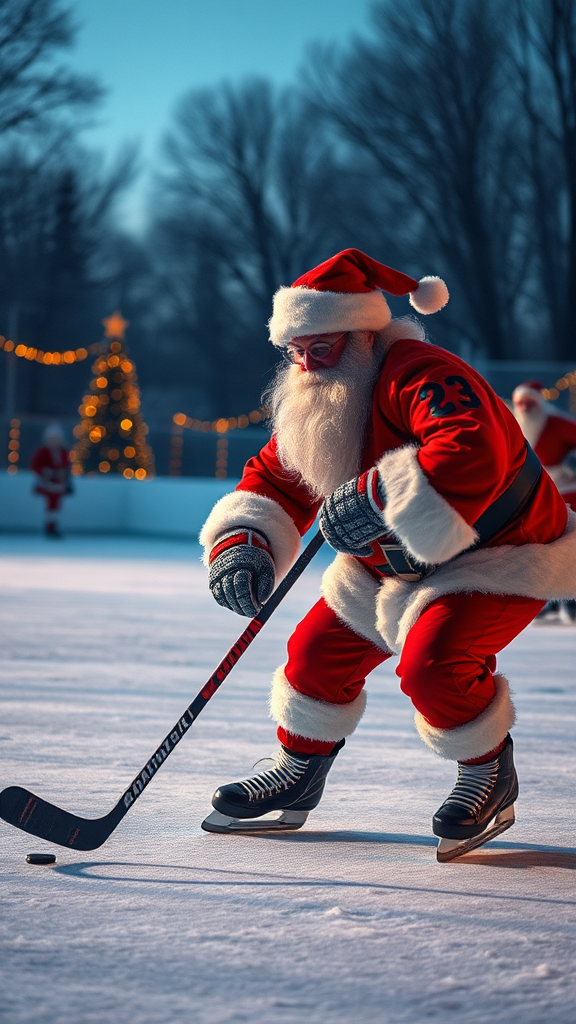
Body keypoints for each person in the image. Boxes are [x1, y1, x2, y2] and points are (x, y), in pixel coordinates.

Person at [198, 248, 576, 861]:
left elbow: (471, 445)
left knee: (435, 664)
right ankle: (297, 769)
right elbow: (274, 478)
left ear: (361, 336)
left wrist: (378, 495)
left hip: (500, 552)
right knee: (314, 654)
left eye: (320, 348)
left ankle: (488, 771)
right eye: (295, 349)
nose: (306, 364)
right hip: (390, 564)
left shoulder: (421, 371)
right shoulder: (320, 400)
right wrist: (243, 541)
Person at [512, 381, 576, 623]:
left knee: (567, 546)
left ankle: (569, 600)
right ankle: (551, 600)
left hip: (567, 494)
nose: (525, 408)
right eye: (520, 404)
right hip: (536, 495)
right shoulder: (516, 425)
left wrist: (572, 459)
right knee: (543, 549)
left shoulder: (556, 423)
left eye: (529, 403)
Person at [31, 424, 71, 538]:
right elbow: (35, 466)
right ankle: (50, 526)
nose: (55, 441)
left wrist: (62, 474)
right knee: (51, 500)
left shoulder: (63, 452)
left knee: (56, 502)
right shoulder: (42, 452)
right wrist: (45, 472)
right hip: (45, 483)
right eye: (52, 439)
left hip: (59, 483)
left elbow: (66, 466)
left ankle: (53, 525)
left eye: (56, 438)